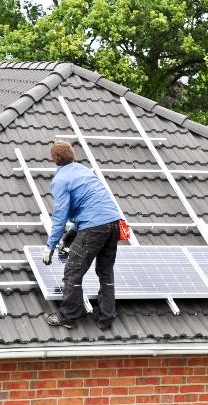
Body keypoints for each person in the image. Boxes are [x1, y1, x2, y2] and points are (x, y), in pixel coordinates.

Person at [42, 140, 121, 330]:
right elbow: (92, 207)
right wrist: (73, 232)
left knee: (73, 272)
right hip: (114, 223)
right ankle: (106, 317)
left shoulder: (60, 180)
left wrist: (50, 246)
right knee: (105, 272)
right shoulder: (85, 171)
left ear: (55, 159)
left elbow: (60, 215)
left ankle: (69, 316)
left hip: (94, 227)